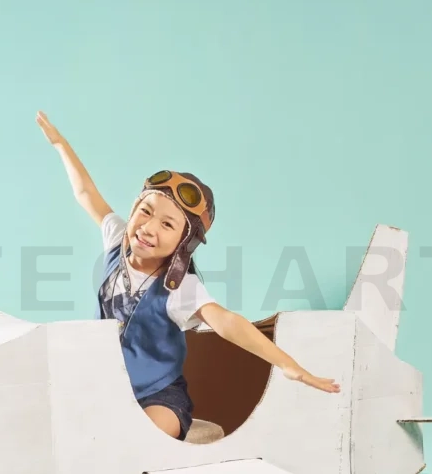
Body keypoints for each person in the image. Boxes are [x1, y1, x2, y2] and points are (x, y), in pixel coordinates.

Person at [36, 110, 340, 441]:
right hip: (103, 384)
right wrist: (61, 145)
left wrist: (286, 363)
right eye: (145, 211)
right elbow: (86, 194)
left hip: (157, 396)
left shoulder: (180, 288)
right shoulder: (117, 241)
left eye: (167, 224)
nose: (149, 228)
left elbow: (226, 322)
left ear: (184, 242)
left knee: (143, 437)